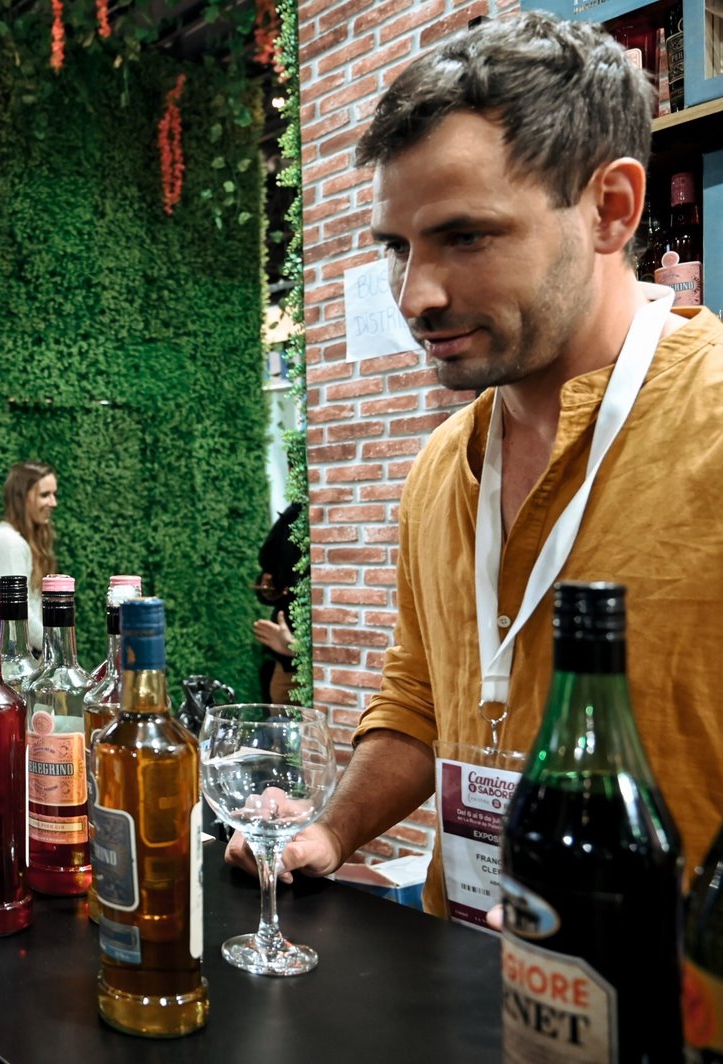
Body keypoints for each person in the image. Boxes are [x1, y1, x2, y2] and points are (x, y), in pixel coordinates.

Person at [226, 12, 723, 921]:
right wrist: (332, 830)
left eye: (465, 236)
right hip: (462, 980)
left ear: (612, 208)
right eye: (397, 247)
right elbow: (422, 698)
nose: (415, 295)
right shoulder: (440, 467)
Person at [0, 460, 58, 650]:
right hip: (12, 657)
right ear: (22, 498)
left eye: (54, 494)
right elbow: (20, 613)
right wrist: (56, 649)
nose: (54, 503)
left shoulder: (12, 539)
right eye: (45, 495)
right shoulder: (9, 542)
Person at [253, 502, 303, 705]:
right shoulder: (295, 515)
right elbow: (269, 571)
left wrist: (296, 648)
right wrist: (268, 589)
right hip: (287, 667)